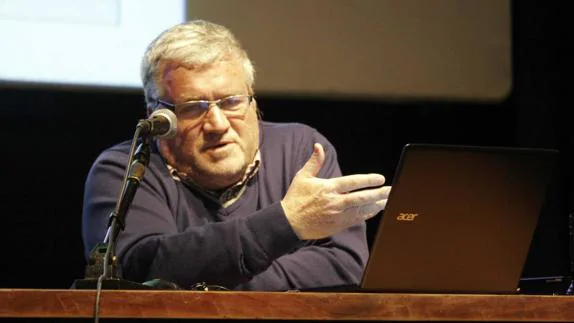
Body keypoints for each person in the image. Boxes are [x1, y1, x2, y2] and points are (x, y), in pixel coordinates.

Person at [81, 19, 391, 291]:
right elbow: (140, 269)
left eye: (231, 102)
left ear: (252, 101)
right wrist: (285, 222)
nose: (217, 124)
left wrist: (218, 283)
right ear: (158, 116)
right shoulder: (127, 170)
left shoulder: (302, 150)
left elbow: (345, 266)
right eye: (193, 108)